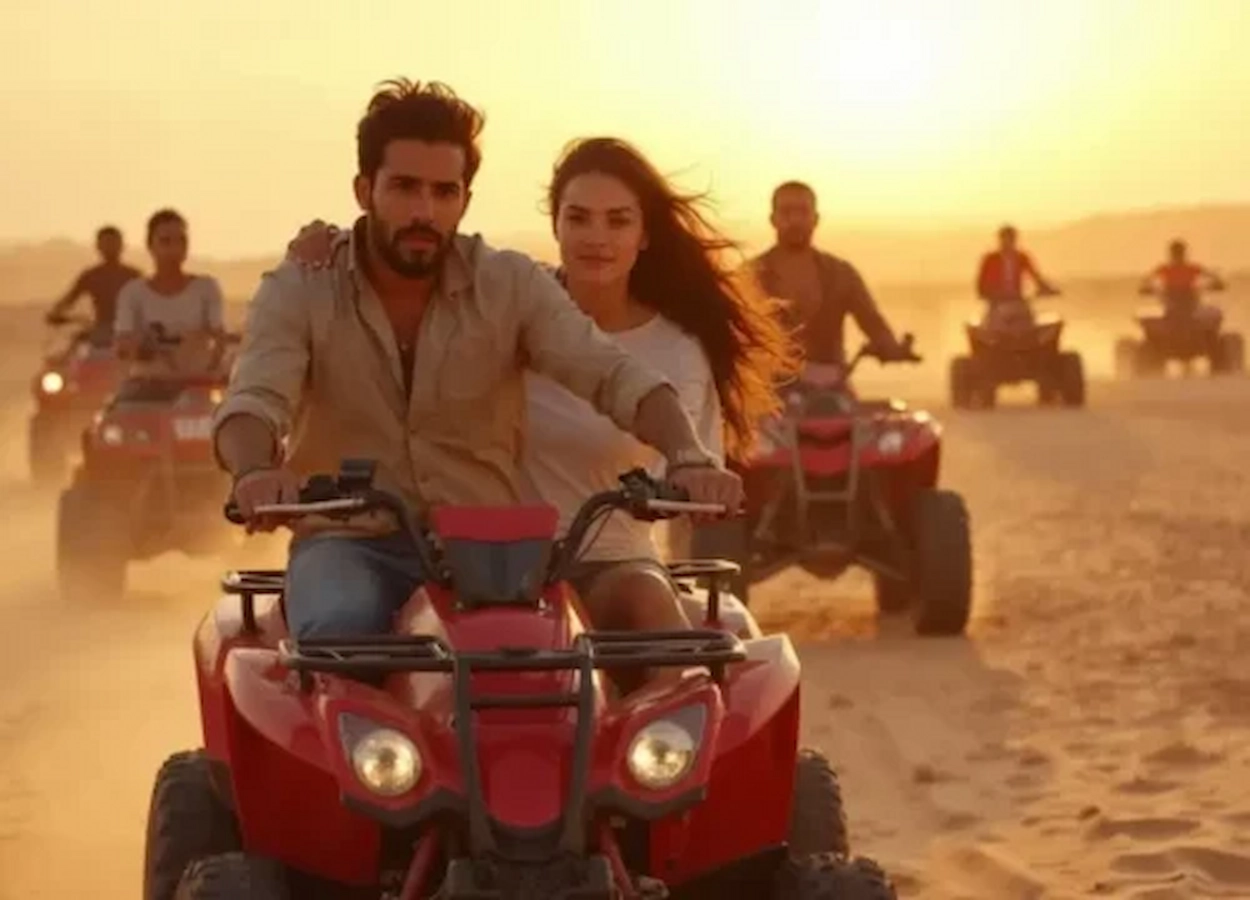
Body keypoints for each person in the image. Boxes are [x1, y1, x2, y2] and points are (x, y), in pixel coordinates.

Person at [213, 79, 742, 644]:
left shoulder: (509, 285)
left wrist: (688, 456)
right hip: (348, 542)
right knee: (339, 633)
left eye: (444, 192)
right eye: (405, 187)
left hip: (489, 551)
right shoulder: (302, 286)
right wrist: (255, 471)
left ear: (465, 200)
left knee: (545, 668)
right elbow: (255, 399)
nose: (424, 211)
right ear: (365, 190)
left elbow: (613, 373)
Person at [284, 136, 796, 667]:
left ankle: (681, 718)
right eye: (578, 218)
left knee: (662, 633)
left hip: (608, 563)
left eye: (618, 221)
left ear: (644, 235)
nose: (596, 237)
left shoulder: (677, 353)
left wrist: (696, 471)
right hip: (483, 564)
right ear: (555, 225)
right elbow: (407, 265)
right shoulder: (506, 305)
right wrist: (341, 244)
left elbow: (687, 465)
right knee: (389, 661)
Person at [749, 181, 908, 367]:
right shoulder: (749, 275)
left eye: (803, 212)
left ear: (816, 218)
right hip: (768, 379)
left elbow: (872, 321)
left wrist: (890, 347)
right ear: (773, 219)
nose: (795, 220)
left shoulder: (840, 274)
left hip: (830, 379)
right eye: (786, 212)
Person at [113, 209, 227, 379]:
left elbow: (219, 337)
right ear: (150, 246)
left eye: (181, 241)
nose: (175, 249)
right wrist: (144, 349)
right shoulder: (132, 293)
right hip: (147, 383)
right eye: (165, 242)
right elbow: (123, 344)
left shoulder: (206, 288)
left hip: (195, 383)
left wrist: (210, 369)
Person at [45, 225, 142, 343]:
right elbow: (69, 299)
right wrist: (56, 312)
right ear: (98, 247)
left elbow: (149, 303)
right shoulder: (91, 276)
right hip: (102, 330)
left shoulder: (133, 275)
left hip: (126, 333)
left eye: (113, 243)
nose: (110, 248)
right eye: (106, 244)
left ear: (122, 246)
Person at [975, 224, 1059, 326]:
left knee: (1028, 318)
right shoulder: (990, 259)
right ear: (1000, 240)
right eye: (1005, 239)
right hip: (997, 300)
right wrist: (985, 293)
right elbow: (981, 281)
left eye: (1011, 239)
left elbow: (1035, 276)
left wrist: (1046, 288)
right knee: (994, 320)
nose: (1008, 242)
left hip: (1017, 299)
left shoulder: (1022, 257)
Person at [1139, 238, 1225, 322]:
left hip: (1188, 300)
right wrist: (1147, 288)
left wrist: (1216, 284)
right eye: (1176, 253)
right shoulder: (1166, 268)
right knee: (1161, 295)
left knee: (1209, 308)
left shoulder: (1191, 268)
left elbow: (1212, 276)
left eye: (1179, 253)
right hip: (1172, 300)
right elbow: (1147, 280)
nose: (1178, 256)